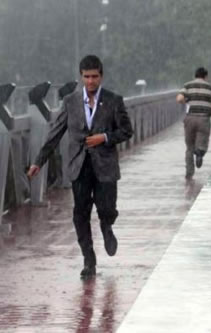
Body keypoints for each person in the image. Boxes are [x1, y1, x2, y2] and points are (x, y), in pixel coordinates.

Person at [27, 55, 133, 278]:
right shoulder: (70, 102)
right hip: (79, 165)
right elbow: (55, 134)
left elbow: (126, 131)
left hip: (105, 166)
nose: (91, 81)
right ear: (81, 76)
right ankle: (89, 260)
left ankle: (106, 226)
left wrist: (104, 137)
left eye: (95, 77)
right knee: (80, 214)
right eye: (87, 77)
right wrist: (38, 161)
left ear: (101, 76)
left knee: (107, 209)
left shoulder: (114, 100)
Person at [176, 67, 211, 181]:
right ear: (205, 76)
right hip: (203, 119)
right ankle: (200, 153)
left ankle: (189, 174)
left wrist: (186, 103)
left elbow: (179, 98)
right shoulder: (210, 87)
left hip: (190, 118)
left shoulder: (188, 85)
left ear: (195, 75)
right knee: (202, 142)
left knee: (189, 147)